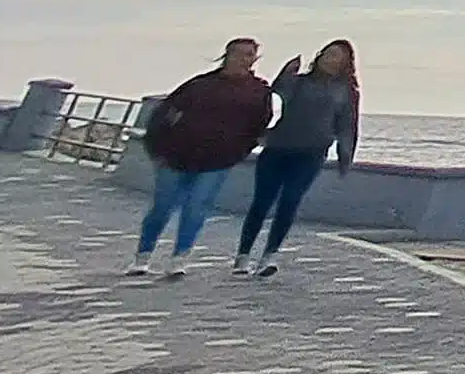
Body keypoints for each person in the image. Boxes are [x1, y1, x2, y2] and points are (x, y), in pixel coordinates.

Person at [132, 37, 274, 276]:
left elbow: (259, 126)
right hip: (174, 155)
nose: (243, 59)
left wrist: (239, 151)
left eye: (249, 54)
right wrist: (156, 148)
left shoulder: (259, 91)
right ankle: (143, 256)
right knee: (163, 207)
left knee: (196, 207)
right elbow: (164, 114)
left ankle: (180, 257)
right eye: (239, 53)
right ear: (227, 55)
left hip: (218, 160)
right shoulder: (200, 85)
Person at [234, 40, 360, 277]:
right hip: (278, 147)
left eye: (337, 57)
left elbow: (347, 126)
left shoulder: (346, 91)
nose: (330, 59)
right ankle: (243, 255)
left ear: (345, 63)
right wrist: (286, 72)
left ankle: (269, 255)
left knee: (289, 201)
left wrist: (346, 157)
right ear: (320, 55)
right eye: (328, 54)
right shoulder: (300, 82)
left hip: (311, 154)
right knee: (262, 202)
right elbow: (277, 92)